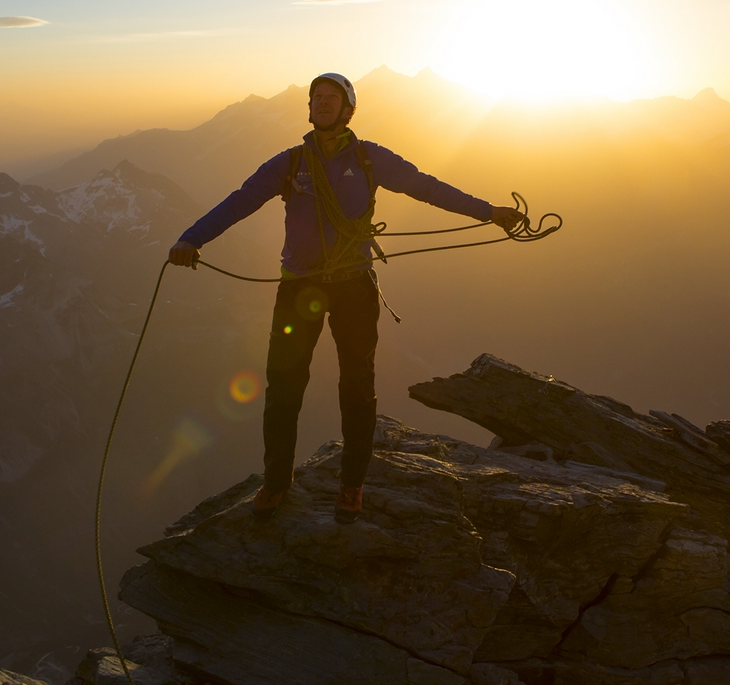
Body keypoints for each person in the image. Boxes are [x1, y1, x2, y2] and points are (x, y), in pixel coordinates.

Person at [169, 73, 523, 523]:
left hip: (354, 285)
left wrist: (488, 212)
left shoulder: (370, 159)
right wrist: (192, 238)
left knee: (358, 388)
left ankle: (351, 485)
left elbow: (426, 186)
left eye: (331, 98)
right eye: (316, 97)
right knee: (283, 389)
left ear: (348, 109)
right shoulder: (291, 162)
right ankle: (276, 482)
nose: (321, 103)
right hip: (300, 287)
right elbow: (240, 201)